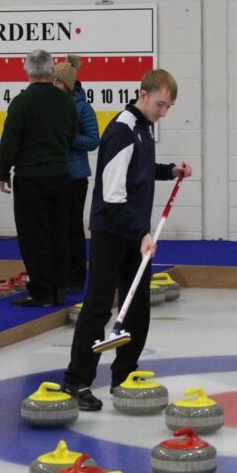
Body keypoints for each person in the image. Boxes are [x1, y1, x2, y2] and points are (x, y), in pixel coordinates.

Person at [63, 69, 192, 411]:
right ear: (143, 94)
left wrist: (168, 171)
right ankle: (76, 381)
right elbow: (113, 191)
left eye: (169, 107)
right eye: (161, 104)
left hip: (133, 230)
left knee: (136, 307)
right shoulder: (122, 129)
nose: (163, 113)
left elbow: (139, 169)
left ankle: (125, 372)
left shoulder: (142, 129)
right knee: (99, 306)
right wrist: (142, 234)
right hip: (112, 231)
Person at [0, 49, 77, 307]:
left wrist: (2, 171)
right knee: (59, 233)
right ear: (52, 69)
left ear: (27, 68)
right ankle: (58, 288)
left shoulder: (21, 103)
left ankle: (41, 290)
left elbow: (10, 140)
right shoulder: (66, 101)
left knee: (34, 236)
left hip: (31, 177)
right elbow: (72, 133)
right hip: (61, 175)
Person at [53, 55, 100, 294]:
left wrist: (70, 139)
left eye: (58, 82)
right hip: (56, 174)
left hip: (76, 176)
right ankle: (59, 274)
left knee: (72, 227)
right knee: (57, 228)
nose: (54, 86)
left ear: (68, 85)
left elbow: (94, 140)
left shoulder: (83, 108)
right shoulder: (52, 104)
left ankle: (76, 277)